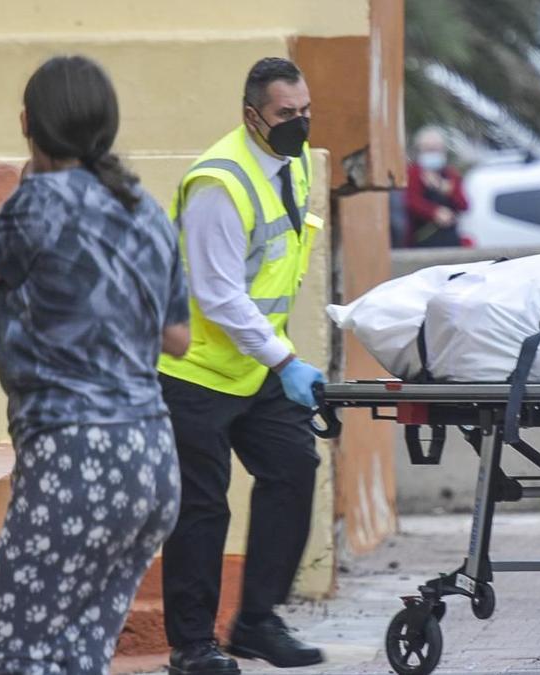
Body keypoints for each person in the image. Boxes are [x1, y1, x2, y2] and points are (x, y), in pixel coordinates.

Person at [0, 55, 190, 675]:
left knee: (9, 656)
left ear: (28, 122)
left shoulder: (35, 204)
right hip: (152, 461)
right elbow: (178, 338)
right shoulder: (147, 211)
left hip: (73, 461)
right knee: (77, 653)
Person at [158, 57, 327, 674]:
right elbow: (219, 292)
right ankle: (193, 646)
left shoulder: (296, 161)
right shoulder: (218, 183)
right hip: (195, 371)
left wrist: (279, 359)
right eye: (286, 115)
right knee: (203, 508)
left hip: (256, 368)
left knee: (293, 468)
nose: (299, 124)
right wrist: (286, 359)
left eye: (305, 111)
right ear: (251, 115)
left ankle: (256, 621)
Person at [405, 126, 468, 247]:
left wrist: (448, 190)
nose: (432, 153)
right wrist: (434, 212)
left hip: (449, 238)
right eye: (428, 149)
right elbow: (409, 201)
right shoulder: (413, 174)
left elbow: (464, 205)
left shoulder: (451, 175)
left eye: (436, 149)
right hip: (421, 239)